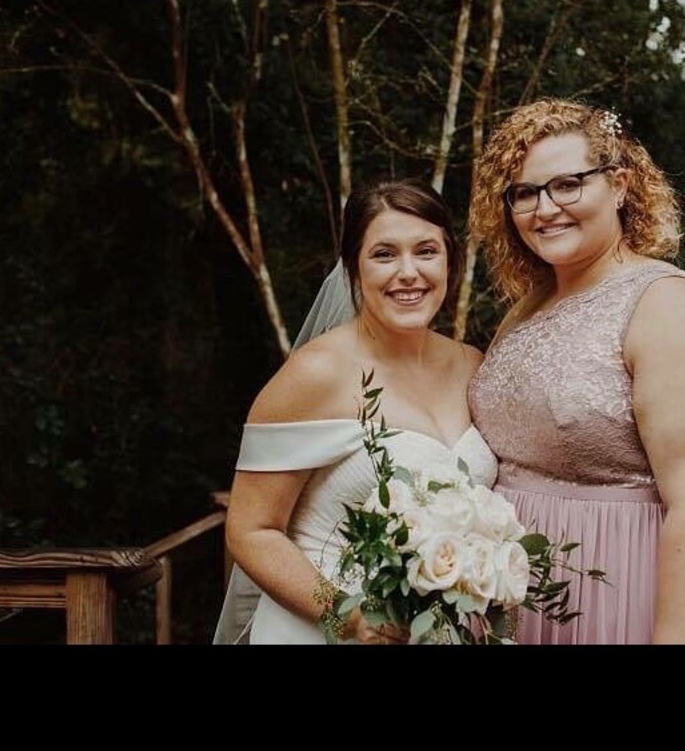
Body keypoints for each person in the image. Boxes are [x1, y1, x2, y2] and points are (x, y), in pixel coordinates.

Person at [467, 98, 685, 644]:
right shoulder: (528, 306)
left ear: (620, 185)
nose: (544, 208)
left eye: (567, 184)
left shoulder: (667, 306)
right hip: (517, 598)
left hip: (623, 591)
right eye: (524, 193)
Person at [213, 178, 498, 644]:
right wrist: (347, 618)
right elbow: (251, 530)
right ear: (353, 268)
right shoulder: (315, 374)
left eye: (426, 251)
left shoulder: (473, 366)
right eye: (384, 254)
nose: (408, 272)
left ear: (451, 260)